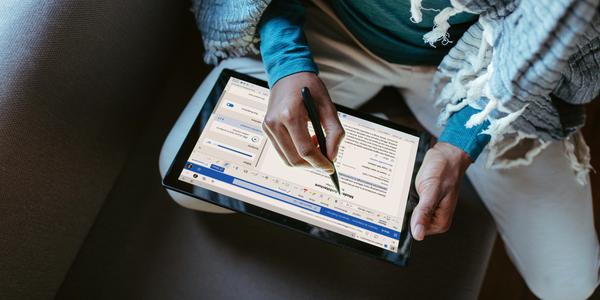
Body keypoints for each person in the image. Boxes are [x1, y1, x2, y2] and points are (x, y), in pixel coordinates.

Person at [160, 0, 600, 298]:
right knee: (185, 174)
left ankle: (394, 130)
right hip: (329, 25)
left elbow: (551, 37)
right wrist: (287, 62)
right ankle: (385, 129)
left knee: (569, 283)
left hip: (482, 66)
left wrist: (462, 142)